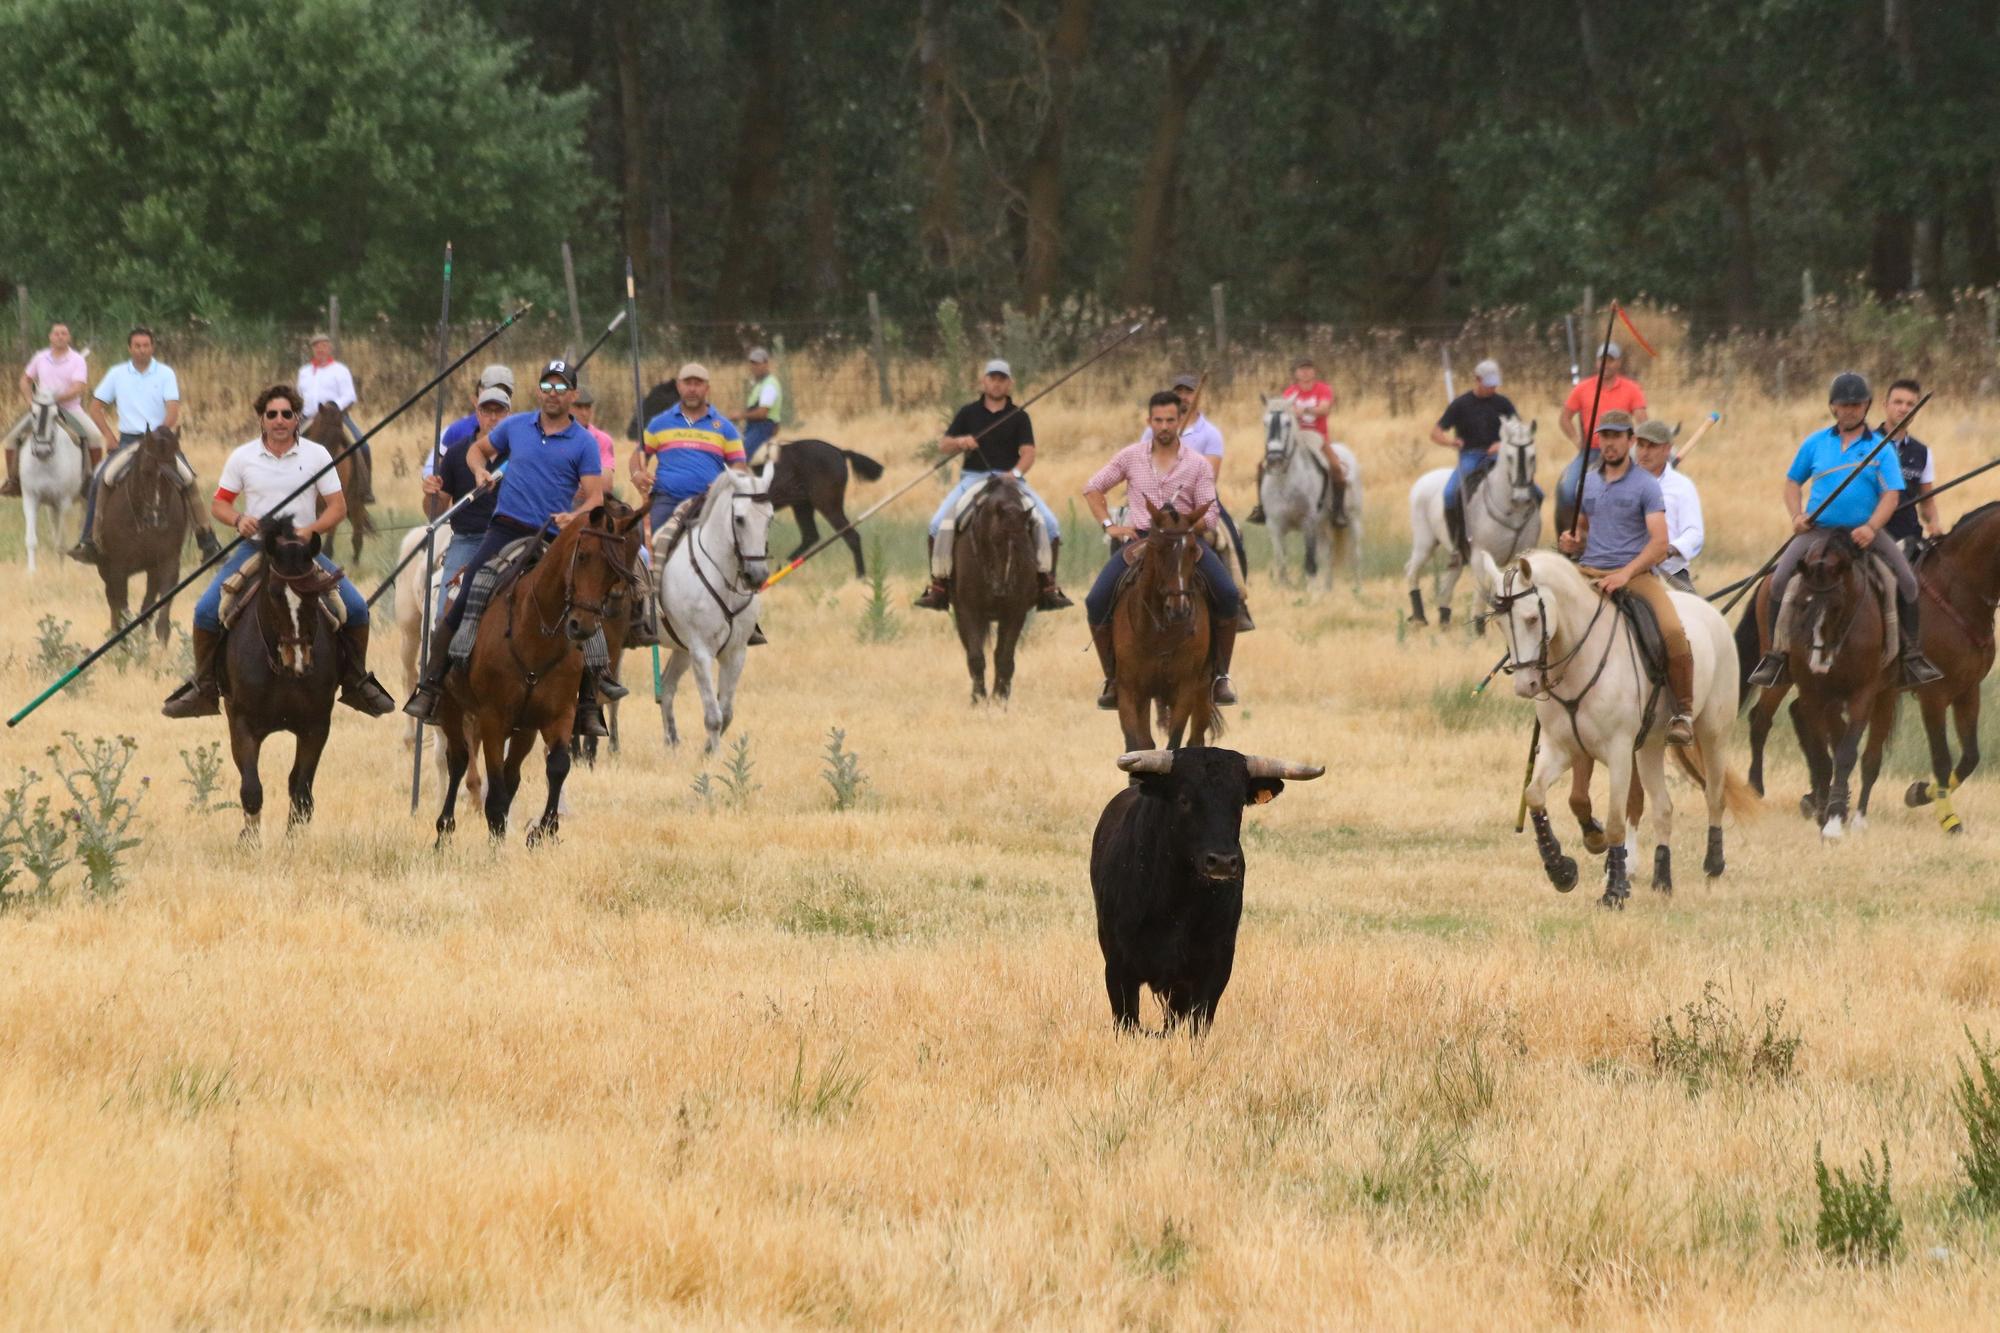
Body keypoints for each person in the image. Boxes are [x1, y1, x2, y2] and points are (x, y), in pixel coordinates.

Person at [403, 359, 614, 733]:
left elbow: (596, 497)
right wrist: (479, 471)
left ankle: (589, 698)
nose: (553, 394)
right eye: (546, 387)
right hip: (505, 528)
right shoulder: (516, 426)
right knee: (468, 591)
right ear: (538, 392)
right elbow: (476, 451)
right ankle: (433, 683)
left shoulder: (583, 441)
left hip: (553, 535)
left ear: (573, 395)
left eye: (561, 388)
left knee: (583, 599)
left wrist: (575, 516)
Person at [162, 384, 393, 718]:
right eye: (272, 415)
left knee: (356, 608)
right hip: (257, 548)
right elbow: (219, 504)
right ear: (262, 419)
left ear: (297, 418)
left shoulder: (317, 455)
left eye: (287, 414)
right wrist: (239, 519)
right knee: (206, 611)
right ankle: (204, 687)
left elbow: (337, 507)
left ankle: (357, 681)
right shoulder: (243, 457)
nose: (280, 420)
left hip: (302, 553)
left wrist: (309, 530)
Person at [1747, 372, 1943, 690]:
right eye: (1843, 404)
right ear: (1833, 407)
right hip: (1818, 531)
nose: (1850, 410)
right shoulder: (1814, 443)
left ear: (1866, 406)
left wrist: (1871, 526)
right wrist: (1797, 516)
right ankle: (1776, 657)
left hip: (1863, 533)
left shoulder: (1881, 448)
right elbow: (1792, 483)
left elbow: (1891, 495)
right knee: (1781, 579)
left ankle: (1911, 656)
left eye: (1856, 404)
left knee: (1905, 580)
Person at [1083, 391, 1242, 708]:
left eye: (1171, 420)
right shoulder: (1130, 457)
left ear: (1179, 420)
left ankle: (1220, 676)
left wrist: (1182, 530)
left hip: (1183, 540)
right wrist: (1109, 525)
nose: (1165, 426)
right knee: (1096, 599)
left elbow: (1209, 513)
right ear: (1149, 422)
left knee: (1228, 593)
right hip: (1143, 539)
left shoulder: (1197, 464)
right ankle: (1113, 678)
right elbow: (1093, 487)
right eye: (1159, 420)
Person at [1555, 410, 1695, 747]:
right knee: (1545, 617)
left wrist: (1625, 573)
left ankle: (1684, 712)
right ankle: (1551, 699)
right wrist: (1571, 541)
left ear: (1629, 441)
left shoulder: (1646, 485)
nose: (1609, 444)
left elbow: (1660, 544)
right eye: (1604, 436)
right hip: (1587, 571)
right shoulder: (1587, 482)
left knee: (1673, 631)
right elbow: (1584, 531)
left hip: (1635, 575)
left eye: (1617, 437)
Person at [915, 359, 1071, 613]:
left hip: (1010, 480)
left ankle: (1047, 586)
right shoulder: (968, 413)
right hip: (973, 478)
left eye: (1002, 379)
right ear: (983, 381)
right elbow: (944, 444)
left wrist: (1015, 473)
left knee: (1051, 524)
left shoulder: (1020, 416)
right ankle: (939, 586)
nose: (997, 383)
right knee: (936, 523)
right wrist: (961, 442)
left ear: (1010, 384)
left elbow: (1029, 453)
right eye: (992, 378)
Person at [71, 326, 218, 563]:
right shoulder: (117, 373)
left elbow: (173, 409)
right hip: (129, 440)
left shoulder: (165, 373)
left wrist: (161, 435)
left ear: (153, 347)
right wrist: (109, 436)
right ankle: (90, 540)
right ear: (130, 348)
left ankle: (207, 540)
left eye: (146, 345)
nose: (142, 350)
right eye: (137, 346)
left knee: (188, 478)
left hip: (159, 441)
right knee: (101, 478)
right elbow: (95, 407)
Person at [419, 384, 510, 618]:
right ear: (477, 414)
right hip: (467, 540)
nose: (492, 418)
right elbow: (435, 513)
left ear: (508, 415)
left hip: (509, 540)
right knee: (444, 614)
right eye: (486, 411)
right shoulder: (456, 453)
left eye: (498, 411)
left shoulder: (519, 453)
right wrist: (431, 493)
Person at [636, 362, 745, 547]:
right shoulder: (659, 423)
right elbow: (639, 455)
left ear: (707, 388)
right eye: (688, 383)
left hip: (709, 501)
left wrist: (725, 482)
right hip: (667, 499)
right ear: (679, 386)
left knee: (735, 541)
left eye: (698, 383)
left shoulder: (724, 427)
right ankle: (648, 576)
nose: (692, 389)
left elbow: (739, 465)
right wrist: (637, 473)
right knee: (639, 537)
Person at [1431, 358, 1520, 560]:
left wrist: (1502, 443)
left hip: (1498, 456)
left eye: (1495, 384)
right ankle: (1458, 544)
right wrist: (1450, 443)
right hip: (1471, 456)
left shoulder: (1503, 403)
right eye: (1489, 384)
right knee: (1450, 494)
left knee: (1534, 490)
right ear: (1477, 380)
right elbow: (1435, 433)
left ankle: (1524, 535)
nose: (1493, 388)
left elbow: (1517, 430)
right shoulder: (1460, 405)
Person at [1557, 341, 1649, 533]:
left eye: (1611, 360)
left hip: (1622, 452)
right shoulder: (1583, 388)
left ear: (1618, 363)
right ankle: (1571, 536)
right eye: (1602, 360)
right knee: (1567, 489)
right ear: (1597, 363)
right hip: (1591, 451)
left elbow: (1642, 419)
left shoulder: (1631, 388)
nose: (1606, 364)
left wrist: (1639, 442)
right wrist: (1577, 440)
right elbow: (1564, 418)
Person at [5, 322, 103, 496]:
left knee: (94, 436)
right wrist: (30, 400)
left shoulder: (77, 360)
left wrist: (56, 398)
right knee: (11, 437)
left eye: (64, 333)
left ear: (69, 337)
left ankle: (93, 480)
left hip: (70, 409)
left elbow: (79, 387)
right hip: (41, 409)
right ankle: (14, 481)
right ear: (50, 337)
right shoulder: (40, 357)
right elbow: (24, 380)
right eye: (56, 333)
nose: (60, 336)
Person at [1249, 357, 1346, 526]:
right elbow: (1282, 412)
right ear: (1296, 373)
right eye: (1302, 369)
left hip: (1318, 436)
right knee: (1262, 466)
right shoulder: (1290, 392)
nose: (1305, 372)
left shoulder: (1323, 389)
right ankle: (1262, 508)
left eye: (1308, 368)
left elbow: (1324, 408)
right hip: (1295, 436)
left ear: (1314, 371)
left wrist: (1304, 410)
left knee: (1336, 467)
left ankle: (1338, 510)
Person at [295, 333, 372, 502]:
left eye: (324, 346)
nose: (320, 349)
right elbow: (299, 395)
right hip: (308, 418)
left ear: (329, 348)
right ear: (312, 350)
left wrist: (333, 407)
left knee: (362, 444)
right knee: (286, 445)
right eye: (316, 346)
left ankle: (365, 489)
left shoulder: (340, 370)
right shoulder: (304, 372)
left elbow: (349, 396)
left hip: (335, 418)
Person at [1633, 419, 1704, 592]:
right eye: (1641, 446)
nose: (1644, 452)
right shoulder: (1622, 482)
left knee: (1693, 614)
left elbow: (1695, 534)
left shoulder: (1683, 486)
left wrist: (1669, 550)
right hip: (1626, 569)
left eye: (1652, 447)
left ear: (1667, 449)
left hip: (1669, 573)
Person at [1879, 378, 1938, 557]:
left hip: (1909, 540)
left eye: (1911, 404)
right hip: (1871, 537)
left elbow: (1927, 501)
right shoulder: (1865, 445)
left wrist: (1934, 523)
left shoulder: (1923, 452)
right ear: (1885, 405)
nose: (1904, 408)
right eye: (1898, 402)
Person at [733, 347, 784, 462]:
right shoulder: (759, 384)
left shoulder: (769, 384)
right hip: (753, 426)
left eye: (757, 363)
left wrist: (740, 415)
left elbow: (762, 413)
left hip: (763, 427)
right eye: (752, 363)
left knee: (741, 455)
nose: (754, 367)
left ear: (766, 364)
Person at [571, 387, 620, 496]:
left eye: (587, 407)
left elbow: (606, 483)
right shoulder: (552, 437)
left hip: (593, 499)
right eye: (578, 407)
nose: (584, 413)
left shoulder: (603, 439)